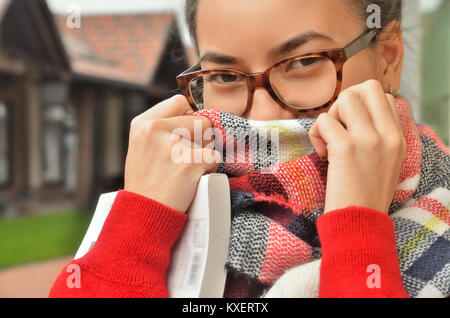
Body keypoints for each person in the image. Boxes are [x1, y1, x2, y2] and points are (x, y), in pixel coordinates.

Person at [50, 0, 438, 298]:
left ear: (388, 58)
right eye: (223, 75)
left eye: (303, 61)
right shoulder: (172, 205)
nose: (265, 114)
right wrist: (137, 226)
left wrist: (358, 224)